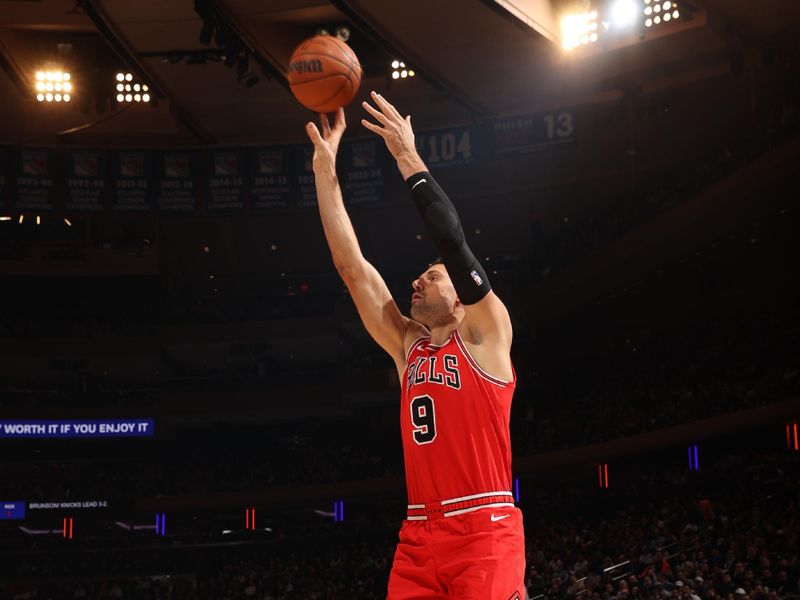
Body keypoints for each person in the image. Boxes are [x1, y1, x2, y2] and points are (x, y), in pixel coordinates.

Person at [306, 91, 526, 599]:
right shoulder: (410, 348)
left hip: (483, 526)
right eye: (419, 278)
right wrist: (325, 174)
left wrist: (407, 155)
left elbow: (452, 242)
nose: (418, 283)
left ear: (460, 295)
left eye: (431, 277)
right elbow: (352, 269)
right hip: (418, 536)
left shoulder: (488, 334)